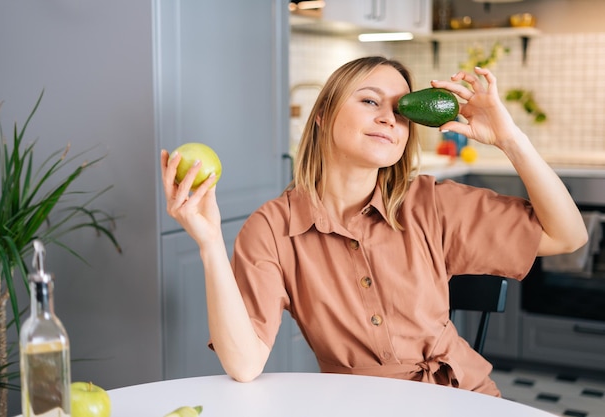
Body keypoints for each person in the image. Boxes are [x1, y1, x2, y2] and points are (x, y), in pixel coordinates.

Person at [160, 56, 587, 397]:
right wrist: (209, 240)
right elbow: (244, 363)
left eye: (401, 110)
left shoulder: (431, 203)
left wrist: (510, 138)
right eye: (369, 101)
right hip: (358, 404)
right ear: (323, 115)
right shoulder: (272, 229)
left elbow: (569, 237)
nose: (389, 118)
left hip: (461, 399)